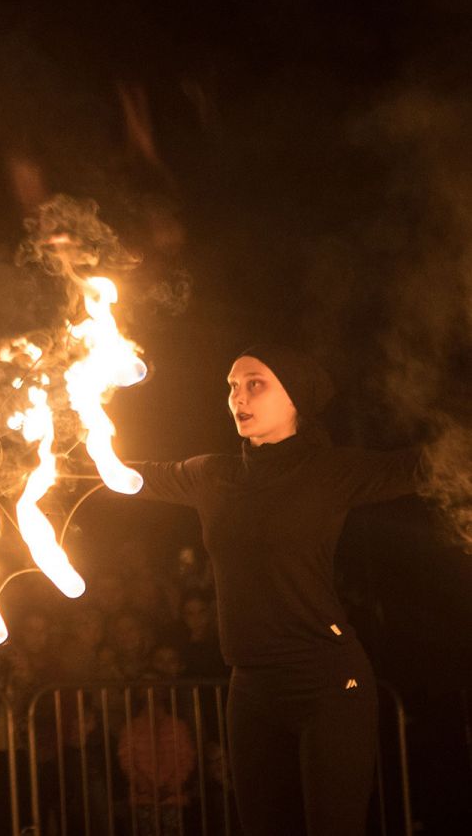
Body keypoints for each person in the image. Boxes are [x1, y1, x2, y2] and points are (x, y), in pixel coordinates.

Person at [131, 344, 424, 836]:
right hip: (251, 689)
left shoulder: (331, 472)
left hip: (330, 684)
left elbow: (424, 466)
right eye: (232, 386)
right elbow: (119, 476)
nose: (237, 397)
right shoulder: (211, 475)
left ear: (295, 401)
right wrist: (3, 458)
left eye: (255, 384)